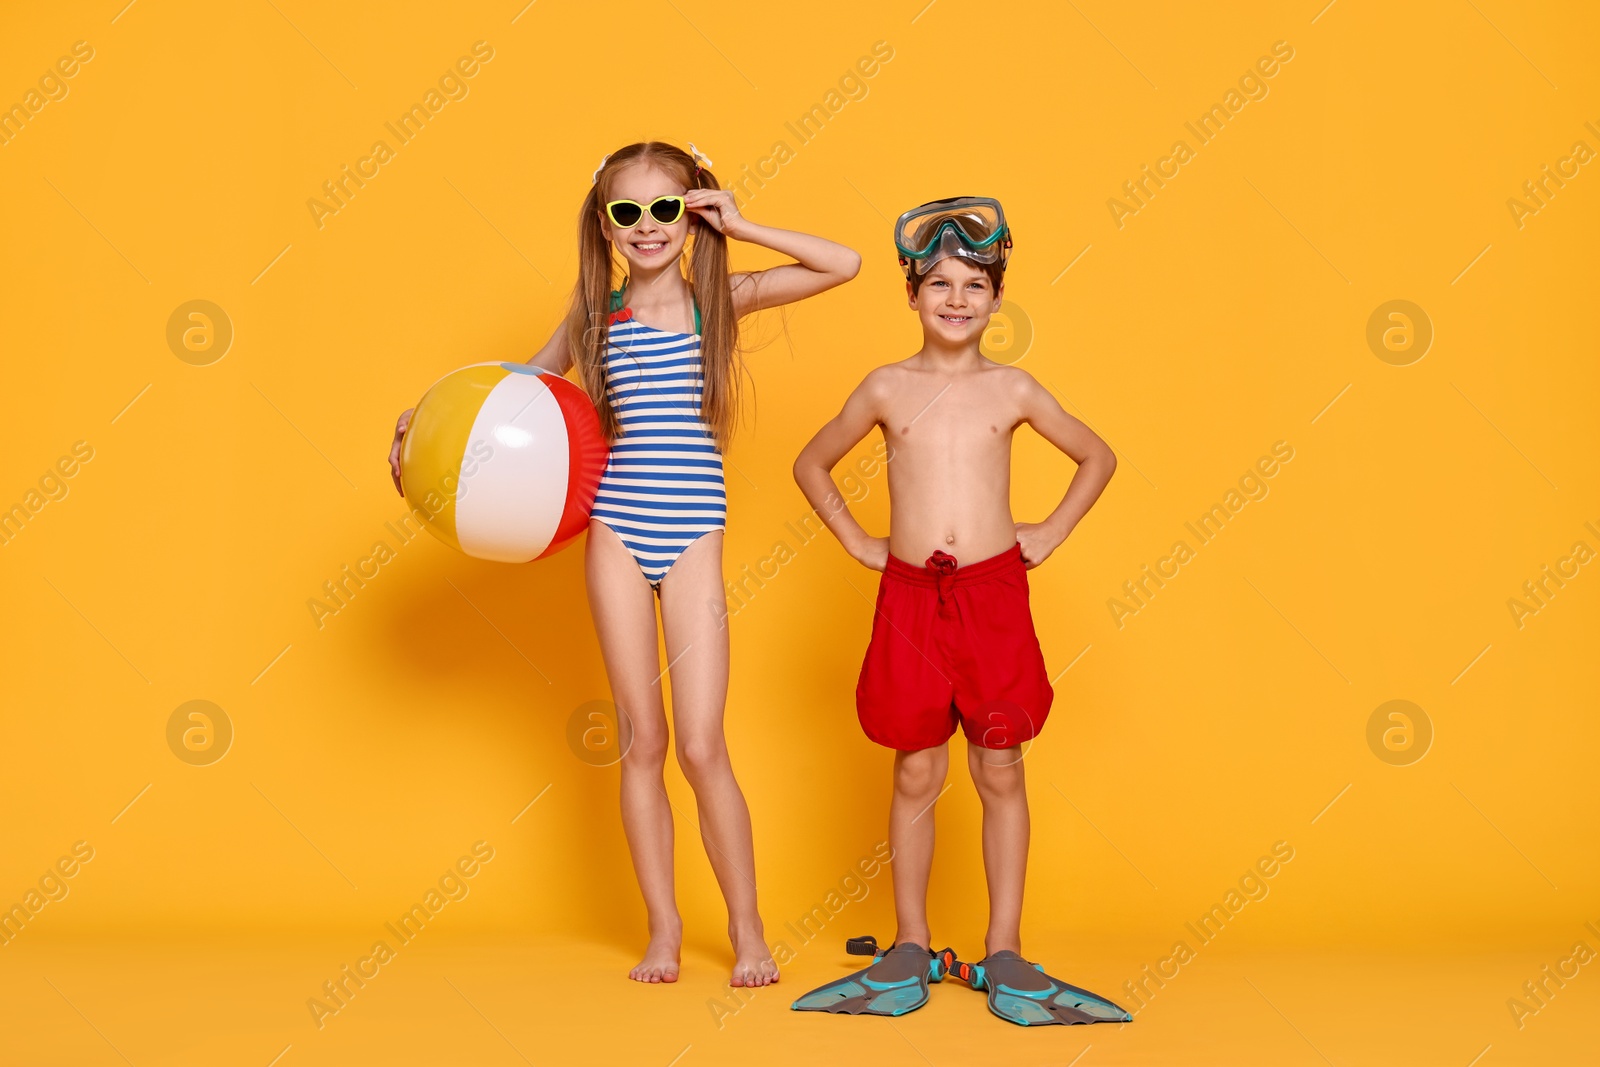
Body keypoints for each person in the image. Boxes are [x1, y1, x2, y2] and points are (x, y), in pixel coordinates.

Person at [389, 142, 861, 987]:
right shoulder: (591, 315)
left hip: (691, 534)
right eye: (628, 212)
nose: (648, 227)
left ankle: (748, 928)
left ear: (692, 214)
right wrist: (421, 434)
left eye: (667, 209)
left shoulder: (719, 301)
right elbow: (513, 398)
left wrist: (740, 223)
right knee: (642, 743)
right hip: (615, 531)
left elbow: (844, 264)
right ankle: (664, 930)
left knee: (703, 745)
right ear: (604, 223)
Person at [789, 198, 1129, 1024]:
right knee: (914, 767)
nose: (955, 297)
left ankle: (1005, 947)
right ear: (910, 294)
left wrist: (1048, 529)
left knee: (1000, 765)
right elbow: (811, 462)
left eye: (973, 284)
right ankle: (910, 942)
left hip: (991, 596)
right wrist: (859, 541)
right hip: (910, 598)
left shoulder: (1011, 387)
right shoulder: (884, 386)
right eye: (937, 282)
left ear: (996, 300)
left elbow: (1097, 453)